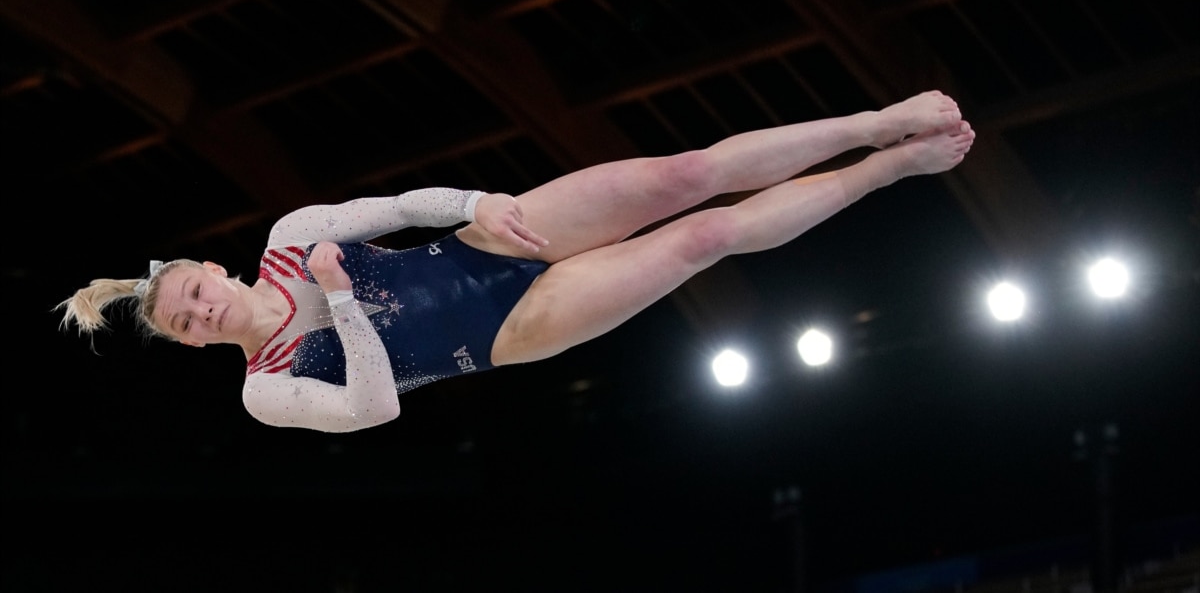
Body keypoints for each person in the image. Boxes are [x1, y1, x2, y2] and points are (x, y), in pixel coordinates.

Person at [59, 91, 974, 433]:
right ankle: (890, 169)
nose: (198, 312)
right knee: (703, 239)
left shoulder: (293, 234)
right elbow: (375, 406)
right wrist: (339, 305)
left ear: (213, 270)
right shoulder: (265, 387)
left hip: (489, 240)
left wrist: (474, 204)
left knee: (685, 175)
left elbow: (402, 208)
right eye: (183, 323)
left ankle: (875, 122)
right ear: (188, 342)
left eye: (190, 293)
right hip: (507, 329)